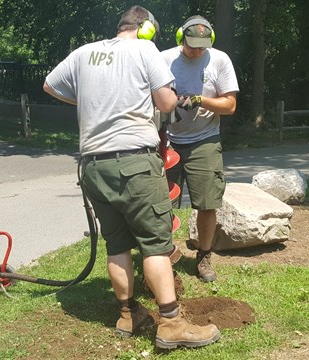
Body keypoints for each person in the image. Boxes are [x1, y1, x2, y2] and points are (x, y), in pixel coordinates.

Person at [43, 5, 220, 350]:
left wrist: (93, 102)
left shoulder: (84, 52)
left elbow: (49, 86)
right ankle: (171, 323)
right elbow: (167, 103)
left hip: (93, 166)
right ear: (146, 30)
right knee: (155, 244)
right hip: (134, 164)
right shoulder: (144, 48)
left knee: (118, 243)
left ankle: (128, 314)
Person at [161, 15, 239, 282]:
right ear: (180, 38)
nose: (196, 50)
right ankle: (163, 255)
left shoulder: (219, 60)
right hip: (168, 140)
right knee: (161, 203)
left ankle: (204, 255)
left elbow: (229, 105)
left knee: (207, 203)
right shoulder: (163, 59)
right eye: (191, 45)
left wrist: (200, 100)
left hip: (205, 139)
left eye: (201, 46)